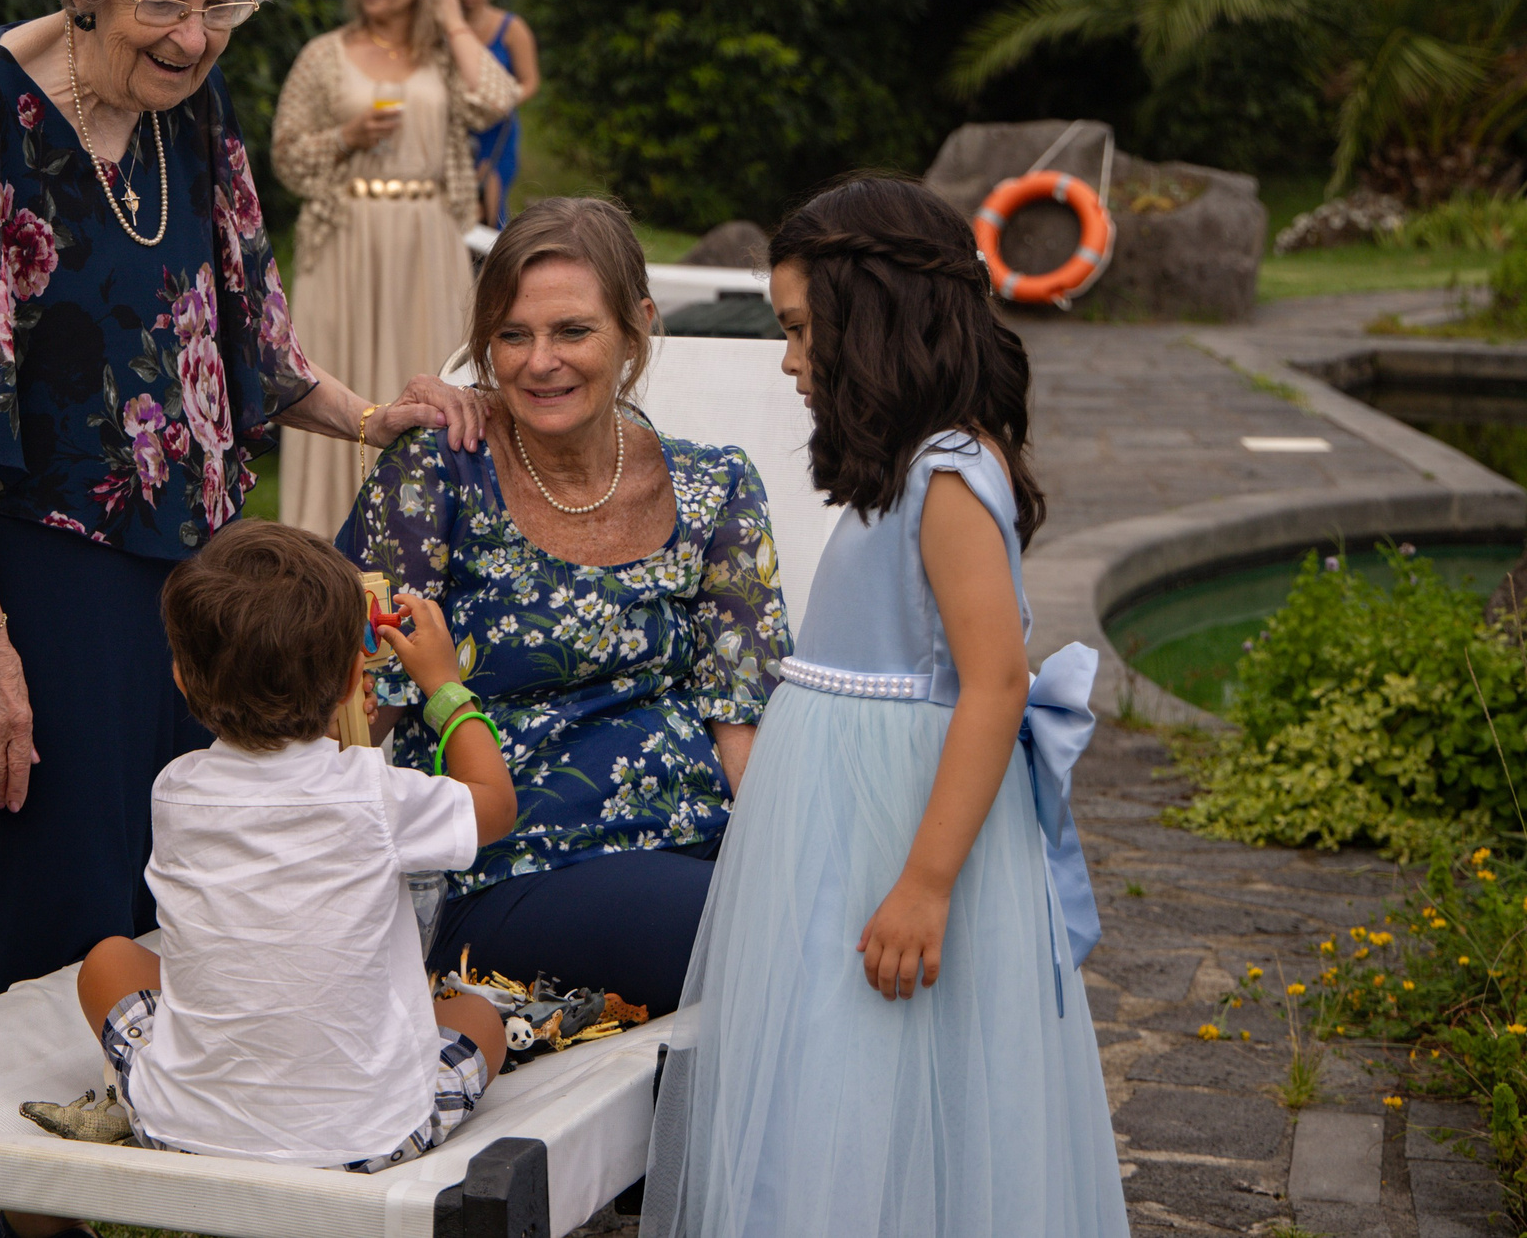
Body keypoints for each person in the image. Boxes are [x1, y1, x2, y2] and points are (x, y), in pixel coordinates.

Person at [0, 0, 487, 1016]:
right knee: (45, 880)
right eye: (165, 5)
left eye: (222, 6)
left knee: (157, 878)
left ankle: (110, 1135)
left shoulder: (191, 103)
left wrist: (370, 420)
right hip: (33, 567)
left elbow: (244, 326)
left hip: (186, 574)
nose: (195, 39)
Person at [664, 174, 1122, 1237]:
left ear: (873, 323)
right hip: (841, 817)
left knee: (872, 1054)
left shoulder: (952, 476)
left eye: (797, 332)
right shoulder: (911, 465)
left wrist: (922, 884)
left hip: (896, 820)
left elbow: (995, 682)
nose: (786, 362)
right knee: (829, 1057)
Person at [338, 198, 789, 1016]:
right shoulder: (439, 475)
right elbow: (348, 708)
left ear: (636, 327)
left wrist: (784, 866)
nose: (540, 361)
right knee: (760, 939)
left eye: (572, 331)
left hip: (696, 846)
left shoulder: (715, 484)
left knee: (821, 919)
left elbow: (741, 725)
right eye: (513, 335)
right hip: (512, 862)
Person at [74, 521, 515, 1170]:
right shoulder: (376, 793)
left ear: (183, 678)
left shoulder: (174, 790)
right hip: (367, 1139)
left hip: (182, 1126)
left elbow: (294, 793)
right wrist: (444, 686)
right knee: (477, 1016)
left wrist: (335, 714)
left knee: (108, 960)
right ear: (347, 683)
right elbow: (495, 804)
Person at [271, 0, 519, 538]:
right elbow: (286, 154)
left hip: (427, 239)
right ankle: (322, 544)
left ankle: (427, 535)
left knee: (426, 371)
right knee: (342, 373)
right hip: (346, 241)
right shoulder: (324, 55)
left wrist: (451, 17)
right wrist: (346, 136)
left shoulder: (442, 59)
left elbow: (499, 95)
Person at [452, 0, 540, 228]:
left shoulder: (511, 28)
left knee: (491, 202)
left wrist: (501, 102)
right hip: (457, 126)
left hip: (496, 129)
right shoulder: (448, 29)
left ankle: (495, 263)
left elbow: (530, 81)